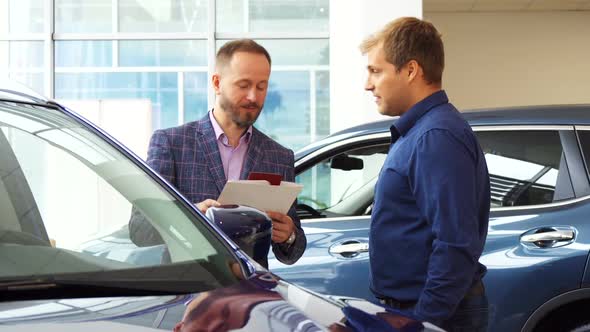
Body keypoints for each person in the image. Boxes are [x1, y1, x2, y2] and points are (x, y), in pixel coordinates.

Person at [360, 17, 491, 331]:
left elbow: (455, 244)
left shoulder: (436, 137)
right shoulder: (422, 131)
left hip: (431, 314)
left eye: (376, 71)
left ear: (410, 70)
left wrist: (423, 322)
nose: (368, 84)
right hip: (412, 309)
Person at [131, 39, 305, 266]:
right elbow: (140, 228)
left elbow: (292, 250)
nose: (254, 96)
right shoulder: (172, 144)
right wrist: (193, 218)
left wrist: (289, 234)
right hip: (188, 291)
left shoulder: (279, 156)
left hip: (251, 291)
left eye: (262, 86)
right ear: (217, 83)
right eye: (243, 85)